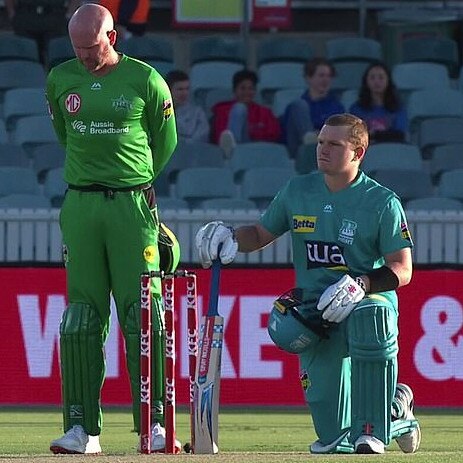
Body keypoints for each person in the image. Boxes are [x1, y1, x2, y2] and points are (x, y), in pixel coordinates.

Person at [195, 113, 421, 455]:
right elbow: (258, 234)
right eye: (320, 142)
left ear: (358, 153)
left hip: (365, 302)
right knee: (331, 439)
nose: (323, 150)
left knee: (370, 320)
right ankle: (397, 410)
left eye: (334, 144)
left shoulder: (382, 202)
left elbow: (402, 269)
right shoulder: (297, 191)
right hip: (315, 313)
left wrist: (361, 283)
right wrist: (230, 237)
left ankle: (375, 428)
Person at [46, 3, 178, 454]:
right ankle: (82, 429)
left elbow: (166, 143)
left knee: (146, 317)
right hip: (81, 205)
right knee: (81, 319)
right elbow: (66, 135)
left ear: (113, 37)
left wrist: (134, 182)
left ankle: (156, 425)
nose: (84, 56)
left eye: (92, 46)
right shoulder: (61, 79)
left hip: (131, 208)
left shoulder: (145, 79)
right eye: (77, 48)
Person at [211, 69, 281, 158]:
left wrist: (251, 134)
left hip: (258, 153)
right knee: (239, 108)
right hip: (230, 154)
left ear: (255, 91)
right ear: (234, 90)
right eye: (242, 88)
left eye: (250, 89)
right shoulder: (223, 110)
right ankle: (232, 152)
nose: (247, 92)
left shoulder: (265, 112)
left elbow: (273, 137)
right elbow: (220, 137)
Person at [282, 57, 344, 157]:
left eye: (328, 76)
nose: (325, 80)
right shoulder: (298, 108)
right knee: (298, 105)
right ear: (308, 78)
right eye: (321, 75)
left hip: (328, 151)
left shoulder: (336, 106)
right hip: (299, 152)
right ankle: (311, 141)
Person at [350, 62, 408, 143]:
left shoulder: (398, 108)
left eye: (381, 77)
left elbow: (399, 134)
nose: (376, 82)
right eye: (372, 78)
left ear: (388, 81)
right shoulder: (356, 109)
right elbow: (355, 136)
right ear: (366, 81)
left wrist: (374, 135)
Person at [5, 0, 75, 63]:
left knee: (57, 58)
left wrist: (69, 14)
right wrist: (12, 13)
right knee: (25, 58)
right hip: (25, 18)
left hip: (55, 18)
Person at [166, 70, 210, 143]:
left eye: (187, 89)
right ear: (168, 90)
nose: (184, 93)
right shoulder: (158, 112)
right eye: (180, 89)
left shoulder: (198, 113)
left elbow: (201, 138)